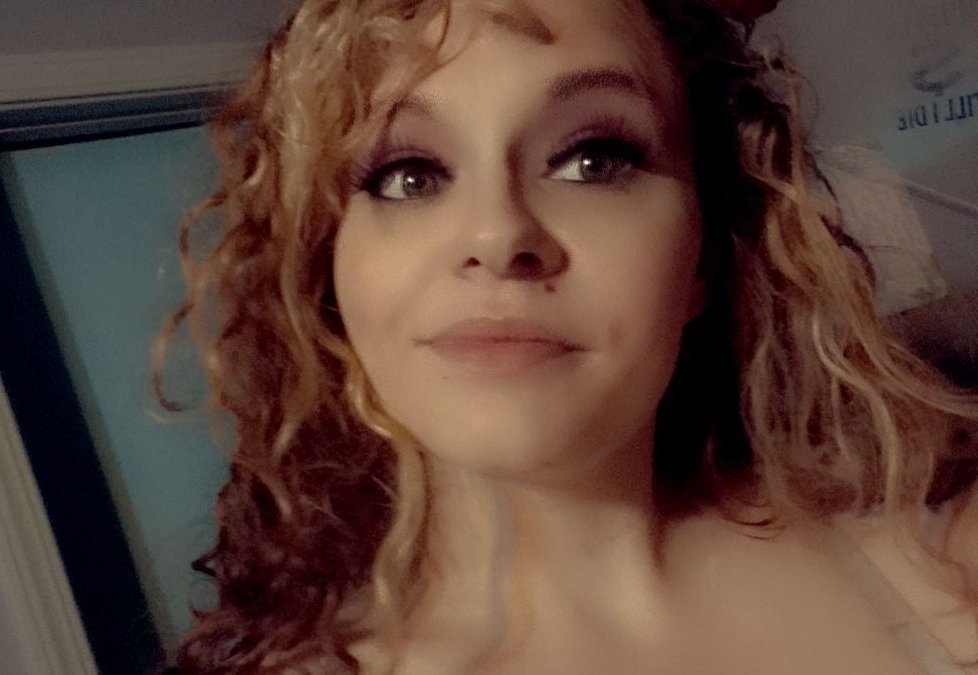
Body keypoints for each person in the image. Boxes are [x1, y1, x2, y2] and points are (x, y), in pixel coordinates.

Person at [158, 0, 978, 672]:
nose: (497, 233)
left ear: (702, 254)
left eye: (594, 159)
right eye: (408, 175)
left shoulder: (949, 566)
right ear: (329, 273)